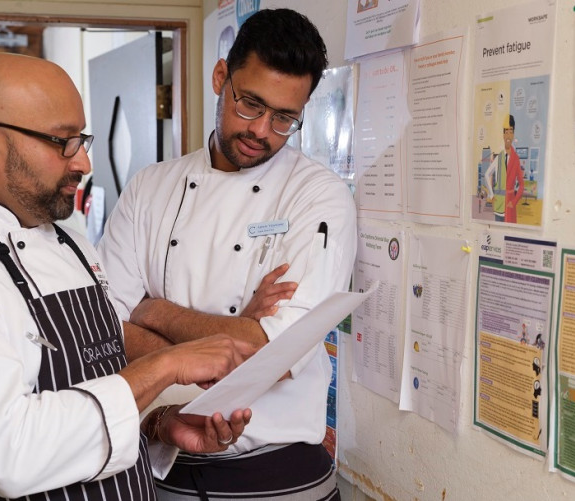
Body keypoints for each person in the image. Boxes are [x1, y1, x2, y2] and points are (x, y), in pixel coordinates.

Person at [0, 53, 257, 501]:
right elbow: (9, 451)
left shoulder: (71, 241)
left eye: (82, 140)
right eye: (62, 141)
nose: (83, 162)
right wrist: (165, 366)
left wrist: (156, 425)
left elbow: (92, 389)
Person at [98, 9, 357, 500]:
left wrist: (153, 310)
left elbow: (275, 356)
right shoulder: (151, 187)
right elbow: (104, 328)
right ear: (221, 78)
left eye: (284, 118)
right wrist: (235, 339)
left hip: (280, 476)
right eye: (249, 104)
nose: (261, 130)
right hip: (160, 463)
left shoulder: (318, 198)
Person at [484, 113, 524, 223]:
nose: (508, 135)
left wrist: (514, 201)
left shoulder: (516, 159)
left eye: (511, 132)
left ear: (513, 134)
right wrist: (491, 194)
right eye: (506, 132)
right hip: (498, 206)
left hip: (510, 206)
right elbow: (487, 175)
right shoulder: (499, 158)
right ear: (503, 135)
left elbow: (521, 185)